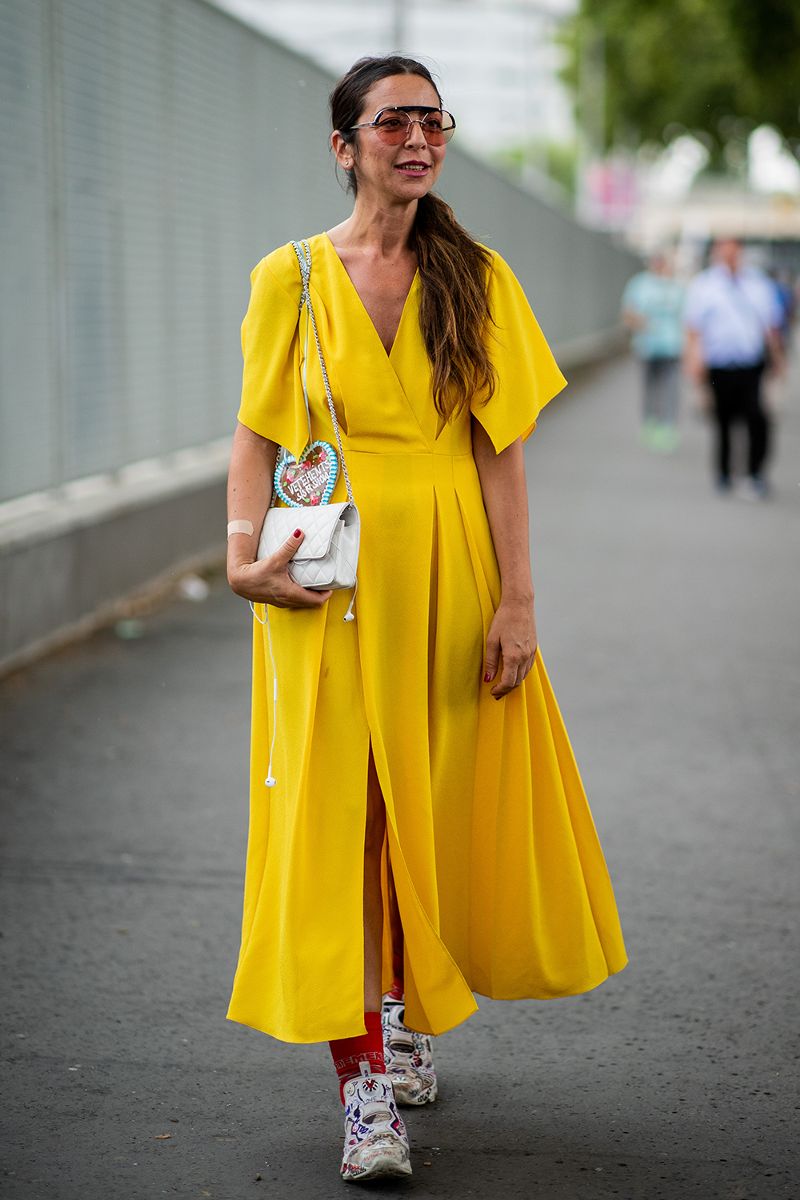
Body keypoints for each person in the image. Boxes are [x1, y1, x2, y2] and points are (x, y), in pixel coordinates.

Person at [225, 55, 627, 1185]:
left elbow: (498, 458)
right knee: (344, 820)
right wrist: (239, 561)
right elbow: (255, 437)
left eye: (432, 120)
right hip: (328, 584)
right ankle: (363, 1091)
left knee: (427, 807)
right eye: (392, 120)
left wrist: (516, 604)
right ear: (343, 143)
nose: (418, 137)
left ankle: (403, 1006)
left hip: (450, 571)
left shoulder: (477, 276)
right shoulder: (288, 279)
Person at [683, 238, 785, 499]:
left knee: (756, 416)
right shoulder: (705, 285)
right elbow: (694, 329)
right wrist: (694, 360)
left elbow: (770, 326)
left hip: (750, 362)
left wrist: (778, 358)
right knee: (723, 419)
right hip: (718, 363)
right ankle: (724, 474)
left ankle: (755, 473)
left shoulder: (757, 284)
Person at [621, 250, 686, 452]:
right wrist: (642, 323)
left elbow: (686, 318)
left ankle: (668, 427)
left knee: (670, 388)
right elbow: (628, 314)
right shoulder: (639, 284)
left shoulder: (677, 288)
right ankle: (649, 424)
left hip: (672, 347)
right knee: (650, 388)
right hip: (647, 347)